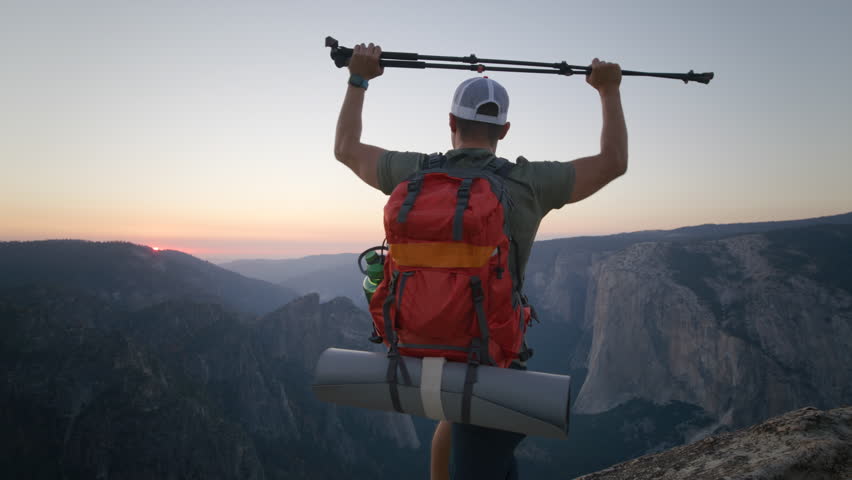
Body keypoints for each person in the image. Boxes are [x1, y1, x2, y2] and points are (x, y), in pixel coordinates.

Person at [334, 42, 627, 480]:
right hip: (488, 359)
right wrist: (608, 90)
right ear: (504, 131)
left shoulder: (412, 172)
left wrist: (358, 79)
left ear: (450, 122)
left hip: (414, 344)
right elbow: (613, 163)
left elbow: (346, 147)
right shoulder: (528, 184)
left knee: (454, 422)